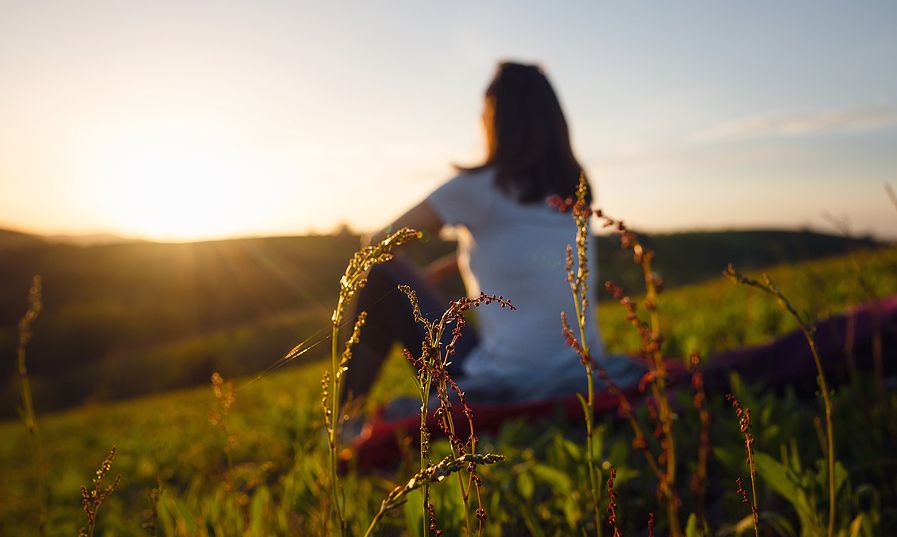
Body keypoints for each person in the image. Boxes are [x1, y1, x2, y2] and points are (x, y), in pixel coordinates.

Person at [341, 62, 646, 407]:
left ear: (494, 118)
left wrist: (411, 279)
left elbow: (379, 241)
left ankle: (344, 421)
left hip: (505, 380)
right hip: (585, 369)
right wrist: (453, 264)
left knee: (379, 273)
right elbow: (531, 255)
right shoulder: (574, 189)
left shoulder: (477, 188)